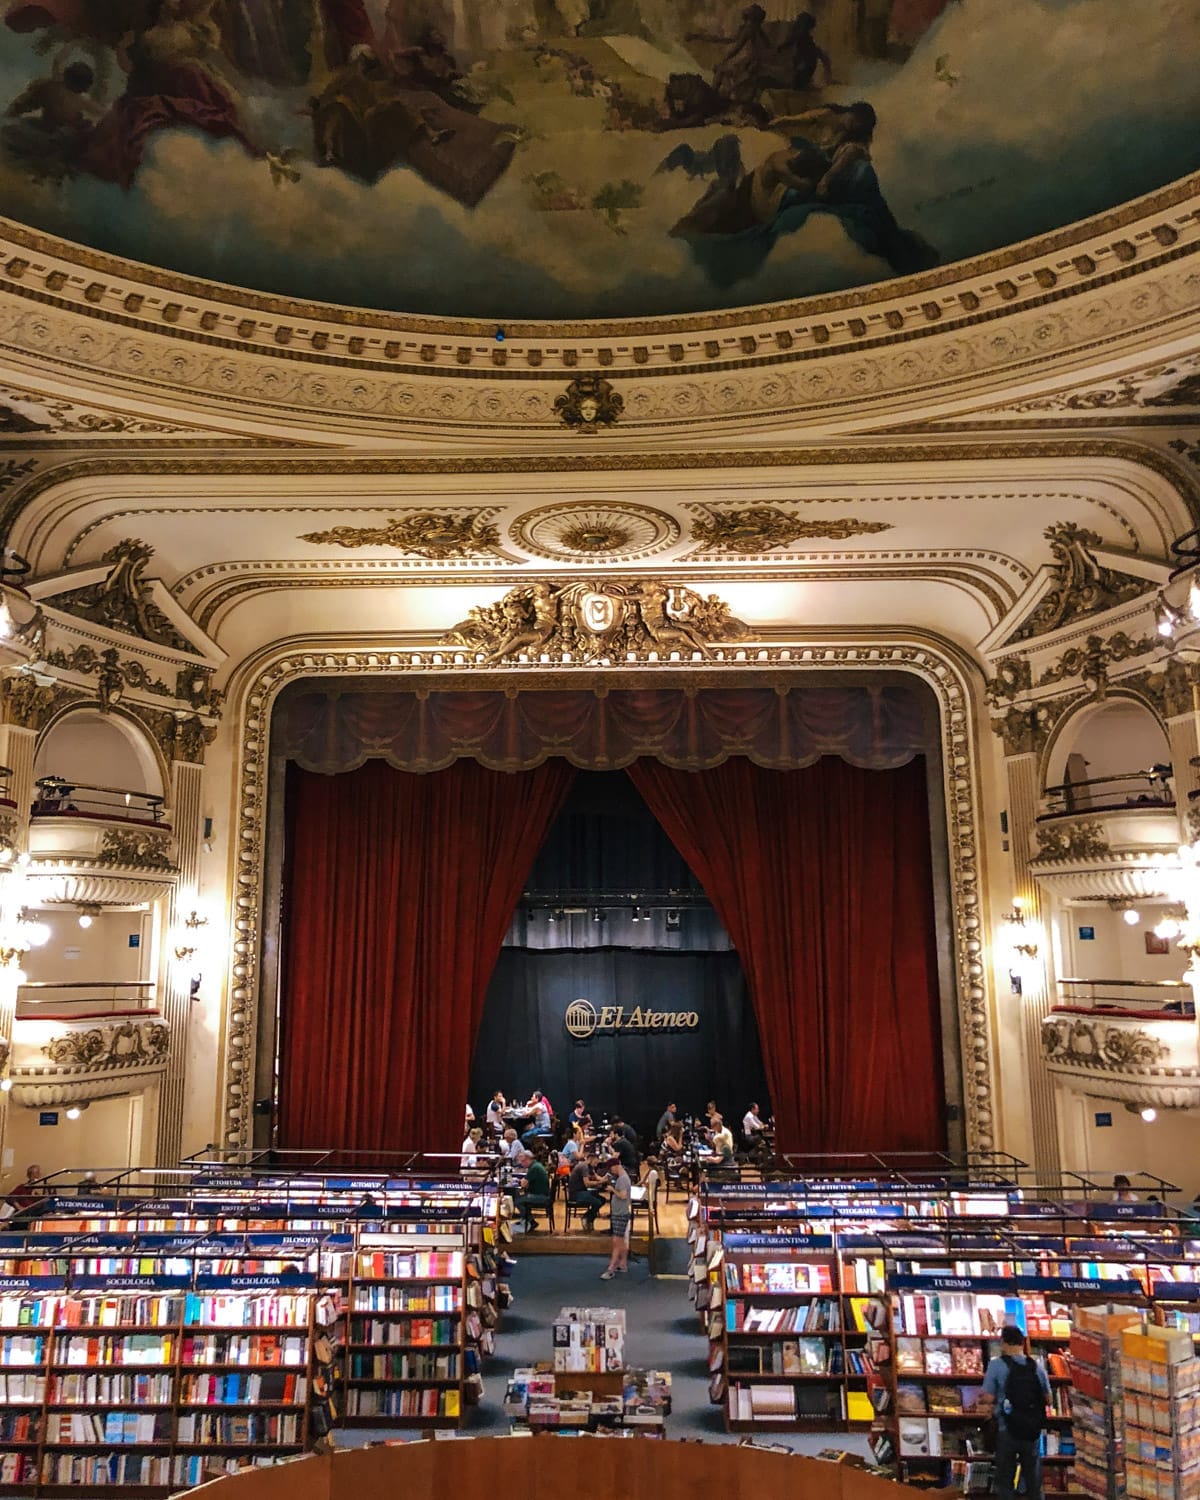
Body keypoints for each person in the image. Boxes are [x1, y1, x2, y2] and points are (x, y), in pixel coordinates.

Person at [980, 1325, 1051, 1500]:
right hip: (1031, 1430)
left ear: (1003, 1343)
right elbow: (1048, 1398)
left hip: (1006, 1428)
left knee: (1005, 1479)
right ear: (1022, 1343)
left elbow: (987, 1397)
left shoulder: (996, 1365)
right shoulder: (1036, 1366)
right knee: (1033, 1480)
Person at [600, 1156, 631, 1278]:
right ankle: (622, 1264)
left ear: (615, 1166)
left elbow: (623, 1196)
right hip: (621, 1212)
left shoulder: (622, 1179)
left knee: (616, 1242)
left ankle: (611, 1268)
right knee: (621, 1240)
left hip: (620, 1213)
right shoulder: (624, 1177)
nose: (611, 1171)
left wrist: (612, 1189)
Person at [514, 1144, 552, 1232]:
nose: (522, 1164)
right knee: (518, 1195)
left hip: (541, 1196)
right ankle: (526, 1219)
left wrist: (518, 1181)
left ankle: (530, 1221)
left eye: (523, 1161)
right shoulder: (535, 1165)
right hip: (541, 1194)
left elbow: (524, 1184)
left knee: (518, 1201)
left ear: (528, 1159)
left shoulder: (534, 1168)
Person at [567, 1154, 607, 1232]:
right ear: (591, 1159)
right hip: (576, 1193)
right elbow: (587, 1183)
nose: (596, 1164)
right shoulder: (584, 1167)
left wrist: (606, 1178)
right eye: (595, 1162)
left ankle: (589, 1218)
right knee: (597, 1202)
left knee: (602, 1200)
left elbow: (597, 1177)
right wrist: (600, 1182)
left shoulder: (590, 1167)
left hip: (583, 1191)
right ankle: (586, 1217)